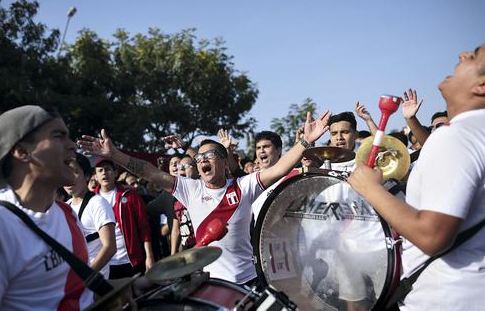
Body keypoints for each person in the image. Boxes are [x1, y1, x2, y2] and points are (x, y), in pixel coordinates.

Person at [78, 111, 331, 285]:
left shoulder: (244, 185)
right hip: (209, 281)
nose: (202, 161)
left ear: (223, 161)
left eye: (209, 156)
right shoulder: (190, 189)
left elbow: (279, 168)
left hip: (248, 280)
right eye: (198, 159)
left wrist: (304, 141)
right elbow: (149, 172)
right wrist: (115, 155)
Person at [348, 28, 485, 310]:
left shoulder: (460, 135)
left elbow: (432, 236)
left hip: (450, 298)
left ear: (484, 84)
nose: (462, 54)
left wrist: (370, 188)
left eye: (475, 56)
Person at [0, 105, 93, 310]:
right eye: (59, 136)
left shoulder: (66, 214)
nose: (73, 145)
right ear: (22, 152)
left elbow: (78, 295)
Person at [92, 158, 154, 279]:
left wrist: (149, 256)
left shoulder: (130, 194)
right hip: (105, 264)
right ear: (95, 176)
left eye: (108, 169)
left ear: (115, 173)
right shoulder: (91, 199)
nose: (104, 172)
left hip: (131, 260)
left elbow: (144, 227)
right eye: (100, 170)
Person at [64, 153, 116, 279]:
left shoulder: (98, 203)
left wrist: (85, 276)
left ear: (87, 175)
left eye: (75, 171)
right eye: (65, 172)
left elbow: (110, 247)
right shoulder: (65, 206)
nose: (69, 177)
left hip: (94, 281)